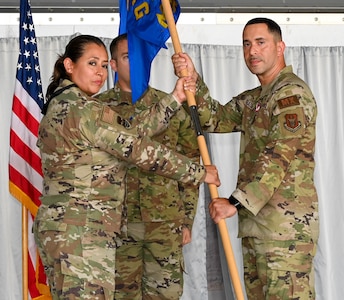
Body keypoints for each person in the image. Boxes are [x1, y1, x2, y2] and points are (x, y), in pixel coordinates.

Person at [32, 34, 220, 300]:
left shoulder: (68, 105)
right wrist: (199, 172)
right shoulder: (85, 110)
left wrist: (175, 99)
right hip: (81, 231)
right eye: (91, 63)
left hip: (72, 229)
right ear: (69, 65)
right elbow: (139, 149)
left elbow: (131, 131)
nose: (99, 72)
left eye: (101, 65)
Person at [172, 18, 319, 299]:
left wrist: (235, 202)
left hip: (284, 232)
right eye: (246, 44)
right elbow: (214, 118)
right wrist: (193, 80)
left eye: (260, 42)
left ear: (280, 47)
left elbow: (279, 157)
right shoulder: (255, 99)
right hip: (256, 228)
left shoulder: (291, 94)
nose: (252, 51)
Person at [96, 33, 201, 299]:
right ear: (113, 64)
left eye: (141, 55)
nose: (136, 62)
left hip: (165, 226)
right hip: (117, 226)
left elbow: (190, 165)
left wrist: (187, 220)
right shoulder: (97, 108)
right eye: (127, 56)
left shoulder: (176, 106)